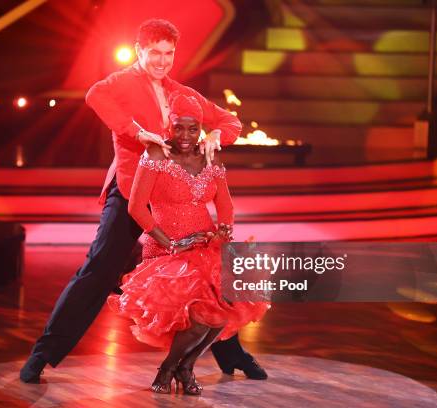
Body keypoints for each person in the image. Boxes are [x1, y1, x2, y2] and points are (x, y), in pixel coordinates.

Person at [20, 18, 267, 384]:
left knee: (205, 277)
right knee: (100, 269)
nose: (162, 61)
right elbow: (94, 97)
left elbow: (229, 121)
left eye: (169, 54)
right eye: (155, 53)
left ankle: (232, 355)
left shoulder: (181, 92)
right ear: (140, 50)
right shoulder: (119, 83)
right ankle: (43, 355)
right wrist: (139, 131)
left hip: (173, 199)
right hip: (130, 190)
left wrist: (216, 133)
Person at [108, 93, 269, 395]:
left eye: (192, 129)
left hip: (205, 244)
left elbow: (226, 207)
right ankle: (168, 367)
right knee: (198, 320)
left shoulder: (210, 156)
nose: (185, 136)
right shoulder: (156, 155)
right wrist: (170, 243)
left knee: (223, 313)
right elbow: (136, 208)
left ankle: (186, 366)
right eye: (178, 128)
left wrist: (223, 232)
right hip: (167, 249)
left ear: (201, 129)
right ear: (169, 126)